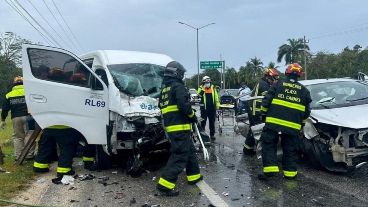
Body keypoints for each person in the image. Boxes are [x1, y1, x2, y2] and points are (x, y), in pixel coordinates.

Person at [258, 63, 311, 180]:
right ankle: (290, 174)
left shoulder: (278, 84)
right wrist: (300, 124)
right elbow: (307, 112)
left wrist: (263, 114)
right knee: (290, 149)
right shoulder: (304, 91)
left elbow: (266, 102)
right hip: (292, 127)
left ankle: (270, 170)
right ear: (299, 75)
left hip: (273, 123)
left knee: (269, 144)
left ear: (287, 72)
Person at [156, 61, 202, 196]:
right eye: (181, 73)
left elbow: (161, 106)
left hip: (172, 128)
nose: (182, 76)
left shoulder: (165, 89)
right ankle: (164, 185)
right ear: (176, 73)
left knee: (190, 151)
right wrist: (192, 115)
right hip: (180, 127)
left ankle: (194, 176)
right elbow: (184, 106)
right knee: (180, 155)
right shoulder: (178, 86)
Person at [243, 68, 279, 155]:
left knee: (253, 129)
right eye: (273, 78)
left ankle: (248, 148)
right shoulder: (263, 85)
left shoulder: (265, 83)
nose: (274, 81)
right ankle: (248, 149)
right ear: (267, 77)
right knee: (255, 129)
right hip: (255, 110)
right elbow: (268, 98)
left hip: (255, 110)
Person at [1, 76, 34, 161]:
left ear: (14, 84)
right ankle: (29, 155)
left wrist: (3, 120)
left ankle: (19, 156)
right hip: (28, 117)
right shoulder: (29, 92)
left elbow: (4, 109)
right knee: (29, 135)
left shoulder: (9, 95)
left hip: (15, 118)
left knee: (18, 137)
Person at [197, 76, 220, 140]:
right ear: (203, 82)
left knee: (212, 122)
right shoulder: (200, 88)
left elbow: (216, 97)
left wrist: (217, 105)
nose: (208, 83)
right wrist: (203, 89)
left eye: (209, 82)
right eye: (206, 82)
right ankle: (202, 135)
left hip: (212, 108)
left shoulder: (213, 88)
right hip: (204, 108)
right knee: (203, 122)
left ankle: (212, 135)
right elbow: (199, 96)